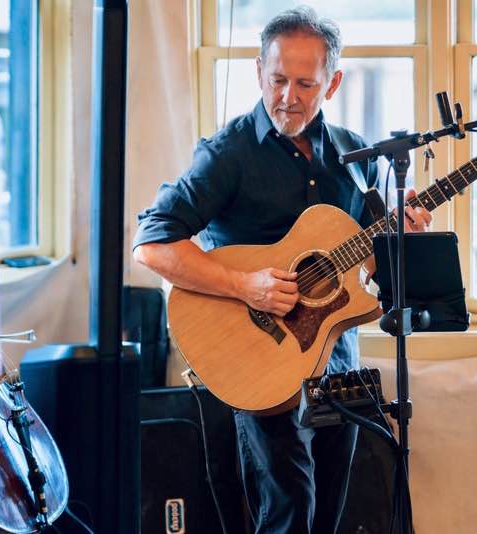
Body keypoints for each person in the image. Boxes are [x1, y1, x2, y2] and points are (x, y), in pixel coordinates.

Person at [133, 7, 431, 534]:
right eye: (276, 80)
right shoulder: (226, 155)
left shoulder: (355, 155)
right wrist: (246, 285)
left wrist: (400, 232)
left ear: (332, 83)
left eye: (304, 83)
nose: (287, 97)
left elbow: (370, 258)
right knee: (289, 513)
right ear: (258, 72)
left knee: (332, 515)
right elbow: (152, 245)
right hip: (259, 361)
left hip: (336, 362)